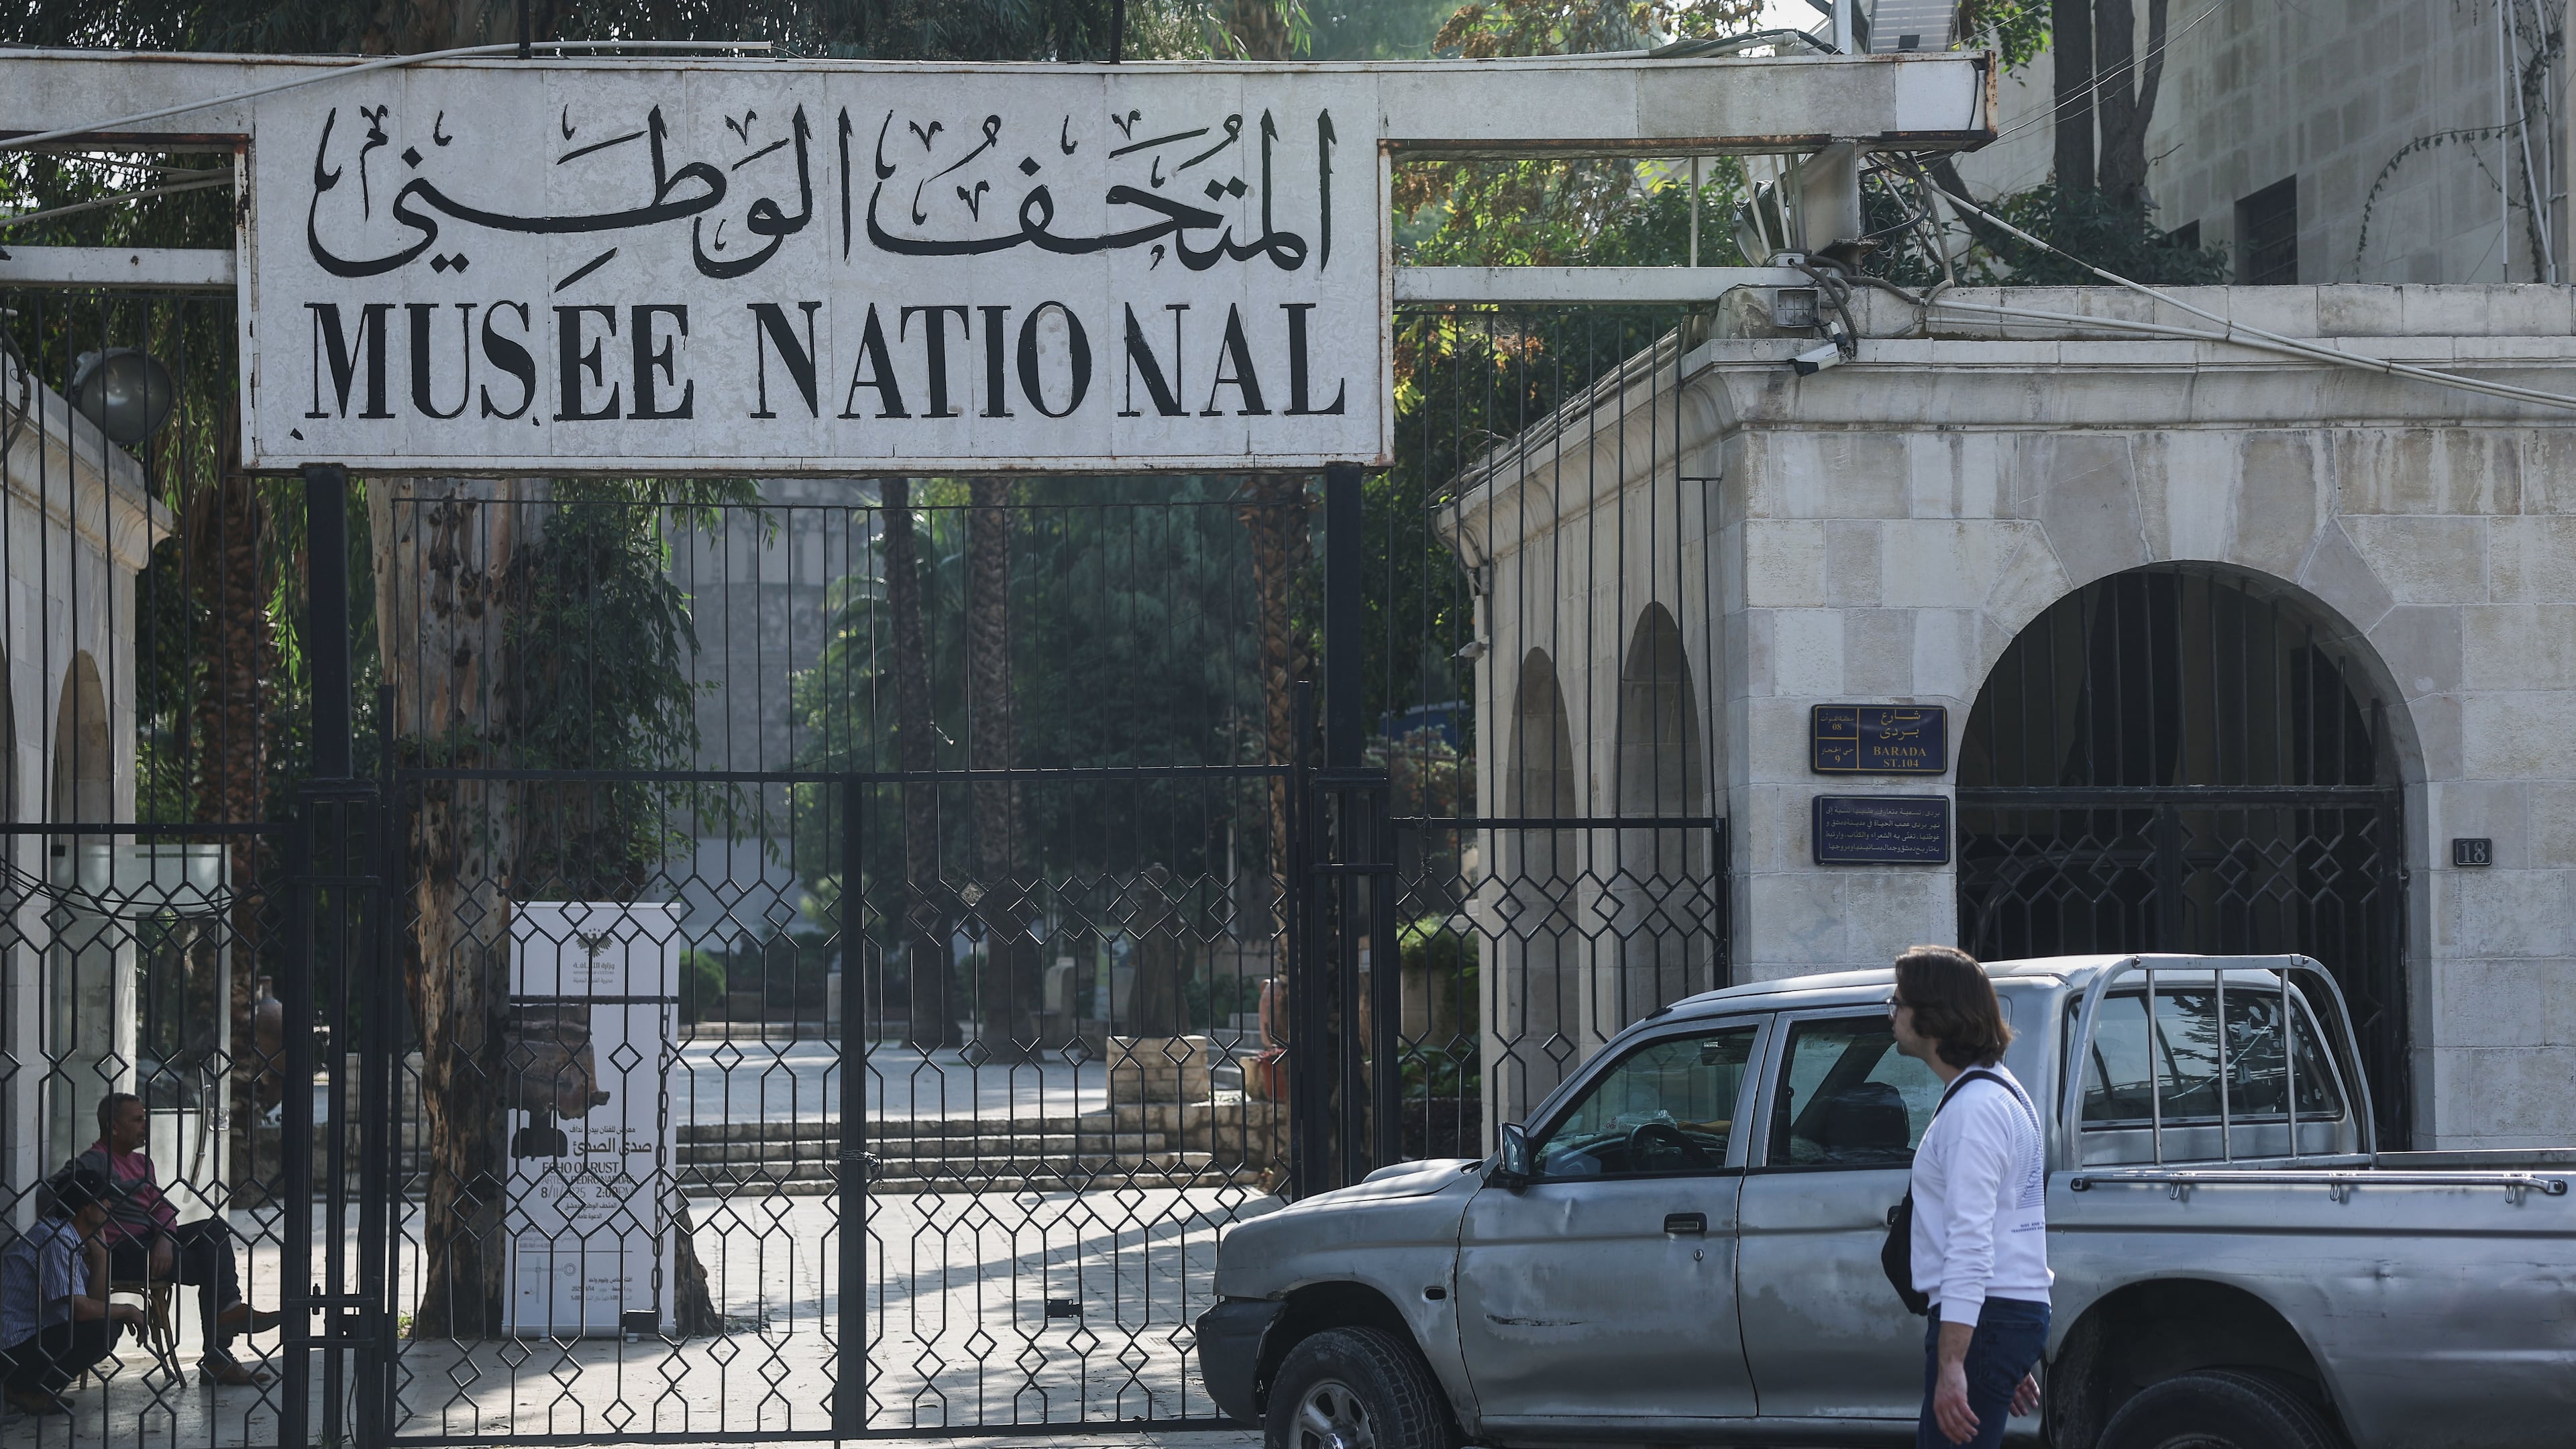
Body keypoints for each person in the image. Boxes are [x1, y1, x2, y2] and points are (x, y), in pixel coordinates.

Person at [1888, 945, 2051, 1449]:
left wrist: (1957, 1363)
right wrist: (1999, 1358)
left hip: (1988, 1317)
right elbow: (2009, 1224)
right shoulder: (2000, 1091)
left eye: (1898, 1002)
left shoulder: (1974, 1110)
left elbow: (1971, 1243)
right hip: (2001, 1318)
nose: (1892, 1013)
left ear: (1932, 1016)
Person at [78, 1093, 279, 1387]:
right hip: (121, 1252)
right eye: (137, 1119)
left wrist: (165, 1238)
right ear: (113, 1127)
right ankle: (218, 1354)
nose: (144, 1125)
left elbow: (161, 1207)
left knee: (212, 1229)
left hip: (148, 1241)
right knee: (212, 1269)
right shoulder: (93, 1162)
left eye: (145, 1118)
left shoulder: (141, 1163)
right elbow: (55, 1193)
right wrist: (90, 1237)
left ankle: (226, 1316)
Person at [1, 1165, 146, 1415]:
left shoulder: (72, 1239)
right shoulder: (55, 1240)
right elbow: (83, 1312)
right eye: (103, 1201)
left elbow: (95, 1305)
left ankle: (34, 1389)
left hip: (34, 1337)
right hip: (12, 1348)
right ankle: (22, 1388)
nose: (109, 1206)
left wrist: (101, 1256)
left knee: (107, 1325)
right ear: (85, 1208)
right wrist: (129, 1309)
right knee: (102, 1330)